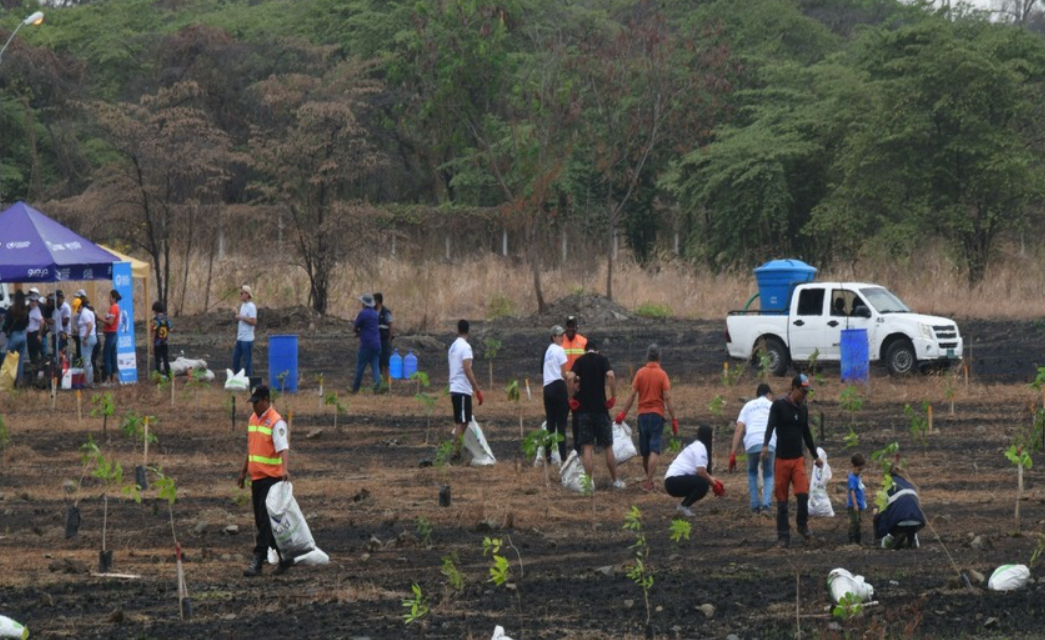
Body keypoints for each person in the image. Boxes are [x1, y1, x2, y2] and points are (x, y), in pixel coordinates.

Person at [762, 373, 823, 547]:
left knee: (803, 494)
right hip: (781, 460)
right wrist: (765, 445)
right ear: (794, 388)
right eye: (803, 392)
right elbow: (770, 426)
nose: (805, 396)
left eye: (807, 393)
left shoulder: (803, 409)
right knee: (782, 501)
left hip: (798, 459)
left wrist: (815, 456)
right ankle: (783, 536)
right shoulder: (779, 406)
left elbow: (806, 434)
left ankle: (802, 526)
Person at [237, 385, 291, 577]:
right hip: (257, 478)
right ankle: (284, 556)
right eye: (252, 403)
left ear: (266, 400)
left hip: (272, 478)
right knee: (262, 522)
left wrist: (284, 469)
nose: (254, 407)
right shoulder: (253, 419)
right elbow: (251, 448)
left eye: (257, 402)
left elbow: (283, 447)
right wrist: (243, 472)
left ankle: (258, 560)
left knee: (266, 521)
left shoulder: (276, 422)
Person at [615, 343, 679, 491]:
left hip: (642, 416)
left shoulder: (640, 373)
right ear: (659, 357)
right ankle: (649, 481)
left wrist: (622, 413)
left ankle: (648, 480)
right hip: (657, 415)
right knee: (654, 449)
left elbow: (632, 395)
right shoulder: (662, 375)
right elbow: (667, 398)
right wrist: (674, 419)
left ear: (647, 356)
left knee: (645, 452)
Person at [568, 339, 623, 488]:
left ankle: (588, 484)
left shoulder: (580, 360)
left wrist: (570, 398)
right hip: (600, 409)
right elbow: (611, 375)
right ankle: (615, 481)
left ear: (586, 350)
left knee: (587, 448)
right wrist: (613, 396)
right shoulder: (602, 359)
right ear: (596, 350)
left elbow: (570, 377)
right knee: (608, 446)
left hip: (584, 411)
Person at [729, 383, 777, 516]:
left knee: (752, 472)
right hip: (770, 442)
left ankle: (755, 507)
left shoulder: (748, 406)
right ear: (768, 394)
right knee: (768, 473)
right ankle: (766, 506)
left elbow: (739, 429)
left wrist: (732, 453)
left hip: (752, 442)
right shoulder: (773, 405)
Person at [664, 425, 726, 517]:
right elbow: (701, 472)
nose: (713, 440)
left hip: (672, 481)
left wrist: (715, 481)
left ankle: (683, 506)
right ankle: (684, 506)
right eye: (712, 437)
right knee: (702, 484)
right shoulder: (700, 447)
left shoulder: (697, 445)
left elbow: (701, 472)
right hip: (673, 482)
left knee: (702, 482)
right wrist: (714, 485)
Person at [448, 319, 483, 460]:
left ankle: (457, 450)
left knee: (462, 421)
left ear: (458, 330)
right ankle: (455, 453)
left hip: (454, 387)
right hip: (462, 389)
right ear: (468, 331)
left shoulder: (453, 347)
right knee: (462, 422)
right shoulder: (465, 347)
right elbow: (467, 368)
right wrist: (477, 389)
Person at [874, 466, 925, 549]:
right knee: (909, 521)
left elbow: (883, 512)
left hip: (899, 522)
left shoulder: (888, 485)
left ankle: (898, 534)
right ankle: (911, 538)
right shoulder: (910, 484)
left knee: (890, 515)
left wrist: (880, 533)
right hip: (917, 521)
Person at [541, 325, 569, 464]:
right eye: (559, 335)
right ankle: (563, 457)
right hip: (558, 387)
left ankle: (548, 456)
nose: (562, 337)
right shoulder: (559, 350)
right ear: (553, 337)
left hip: (547, 388)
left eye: (562, 335)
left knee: (550, 424)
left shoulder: (548, 351)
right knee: (561, 424)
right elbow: (564, 374)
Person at [562, 316, 588, 452]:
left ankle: (578, 447)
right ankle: (561, 448)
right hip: (563, 386)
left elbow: (588, 363)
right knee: (562, 418)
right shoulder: (560, 343)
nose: (570, 329)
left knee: (578, 418)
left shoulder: (583, 342)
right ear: (565, 327)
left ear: (576, 327)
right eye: (568, 326)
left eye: (573, 326)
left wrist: (580, 381)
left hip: (578, 387)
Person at [351, 294, 382, 394]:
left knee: (360, 367)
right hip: (377, 344)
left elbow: (355, 327)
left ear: (364, 303)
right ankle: (378, 387)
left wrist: (358, 333)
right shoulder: (375, 314)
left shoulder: (363, 313)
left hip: (366, 345)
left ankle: (355, 389)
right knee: (375, 367)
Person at [2, 291, 29, 385]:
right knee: (20, 361)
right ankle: (19, 382)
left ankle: (9, 381)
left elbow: (7, 324)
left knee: (9, 359)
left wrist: (4, 331)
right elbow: (27, 323)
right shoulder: (25, 310)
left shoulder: (11, 310)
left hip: (14, 336)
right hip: (23, 336)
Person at [233, 285, 257, 376]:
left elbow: (254, 322)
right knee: (235, 359)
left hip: (247, 340)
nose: (240, 295)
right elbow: (244, 319)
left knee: (247, 362)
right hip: (240, 338)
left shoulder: (251, 307)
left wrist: (242, 317)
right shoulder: (243, 306)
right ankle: (238, 378)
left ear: (247, 294)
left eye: (242, 293)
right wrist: (238, 316)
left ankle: (248, 380)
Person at [77, 295, 98, 387]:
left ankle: (89, 382)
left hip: (87, 339)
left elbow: (89, 325)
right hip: (92, 337)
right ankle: (89, 380)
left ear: (80, 306)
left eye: (77, 309)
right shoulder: (89, 311)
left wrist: (85, 337)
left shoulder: (84, 313)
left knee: (86, 360)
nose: (76, 311)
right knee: (88, 360)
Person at [102, 289, 122, 384]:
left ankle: (109, 379)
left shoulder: (114, 307)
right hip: (112, 334)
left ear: (114, 298)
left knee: (107, 356)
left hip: (111, 334)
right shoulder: (114, 307)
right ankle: (114, 377)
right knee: (113, 355)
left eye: (110, 297)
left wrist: (100, 319)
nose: (108, 299)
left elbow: (110, 322)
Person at [374, 292, 394, 389]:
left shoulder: (386, 312)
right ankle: (378, 385)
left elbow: (390, 327)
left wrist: (389, 339)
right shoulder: (373, 312)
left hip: (384, 341)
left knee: (385, 364)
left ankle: (386, 386)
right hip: (375, 341)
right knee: (377, 364)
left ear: (377, 301)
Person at [848, 453, 867, 544]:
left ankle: (858, 541)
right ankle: (851, 540)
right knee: (854, 522)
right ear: (853, 466)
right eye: (859, 469)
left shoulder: (858, 477)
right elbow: (852, 491)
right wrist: (855, 504)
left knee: (859, 522)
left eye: (861, 470)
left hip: (859, 505)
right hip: (853, 506)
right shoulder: (852, 478)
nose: (860, 471)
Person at [49, 290, 72, 363]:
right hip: (56, 333)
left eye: (59, 298)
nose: (57, 300)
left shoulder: (66, 307)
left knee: (61, 352)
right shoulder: (56, 307)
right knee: (56, 352)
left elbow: (66, 322)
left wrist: (58, 320)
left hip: (64, 333)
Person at [152, 301, 172, 377]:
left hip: (157, 343)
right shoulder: (166, 318)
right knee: (166, 359)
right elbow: (170, 328)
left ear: (156, 310)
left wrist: (152, 344)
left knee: (158, 361)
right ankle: (169, 375)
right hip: (165, 342)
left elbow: (153, 333)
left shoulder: (155, 320)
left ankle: (158, 377)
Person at [26, 292, 44, 365]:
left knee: (34, 355)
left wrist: (39, 334)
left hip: (34, 334)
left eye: (34, 301)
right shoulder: (32, 310)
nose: (32, 302)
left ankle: (35, 371)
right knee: (32, 354)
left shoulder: (36, 310)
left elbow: (42, 322)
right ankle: (34, 370)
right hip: (30, 334)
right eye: (31, 300)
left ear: (37, 302)